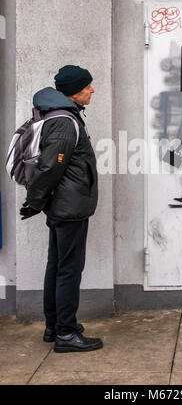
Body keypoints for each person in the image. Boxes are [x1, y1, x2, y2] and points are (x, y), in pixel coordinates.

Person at [19, 65, 103, 353]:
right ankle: (66, 333)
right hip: (70, 207)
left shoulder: (61, 116)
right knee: (68, 269)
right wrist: (34, 200)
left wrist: (37, 201)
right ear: (73, 91)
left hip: (64, 205)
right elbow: (50, 167)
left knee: (57, 265)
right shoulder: (66, 122)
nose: (92, 90)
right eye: (87, 86)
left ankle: (55, 325)